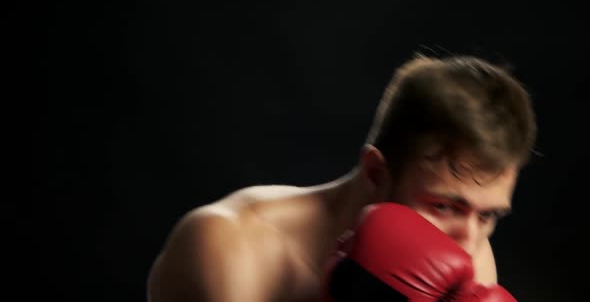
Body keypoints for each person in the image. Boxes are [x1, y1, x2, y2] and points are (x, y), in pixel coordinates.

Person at [146, 54, 537, 302]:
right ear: (375, 172)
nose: (468, 242)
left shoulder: (470, 260)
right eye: (444, 206)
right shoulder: (231, 246)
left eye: (488, 216)